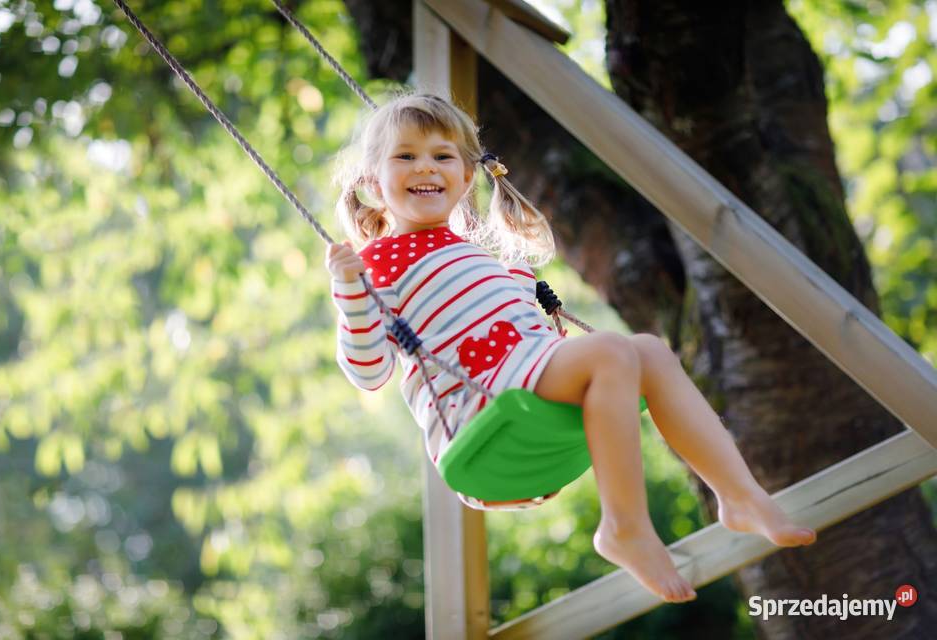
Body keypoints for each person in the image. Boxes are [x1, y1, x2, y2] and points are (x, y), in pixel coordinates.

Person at [325, 91, 816, 603]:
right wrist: (349, 292)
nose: (425, 166)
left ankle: (739, 495)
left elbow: (509, 318)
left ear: (467, 177)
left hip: (526, 375)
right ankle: (624, 527)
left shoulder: (475, 253)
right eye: (405, 156)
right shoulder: (377, 263)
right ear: (371, 182)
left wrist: (519, 284)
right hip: (480, 409)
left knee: (649, 349)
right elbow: (369, 369)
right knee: (610, 351)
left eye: (442, 155)